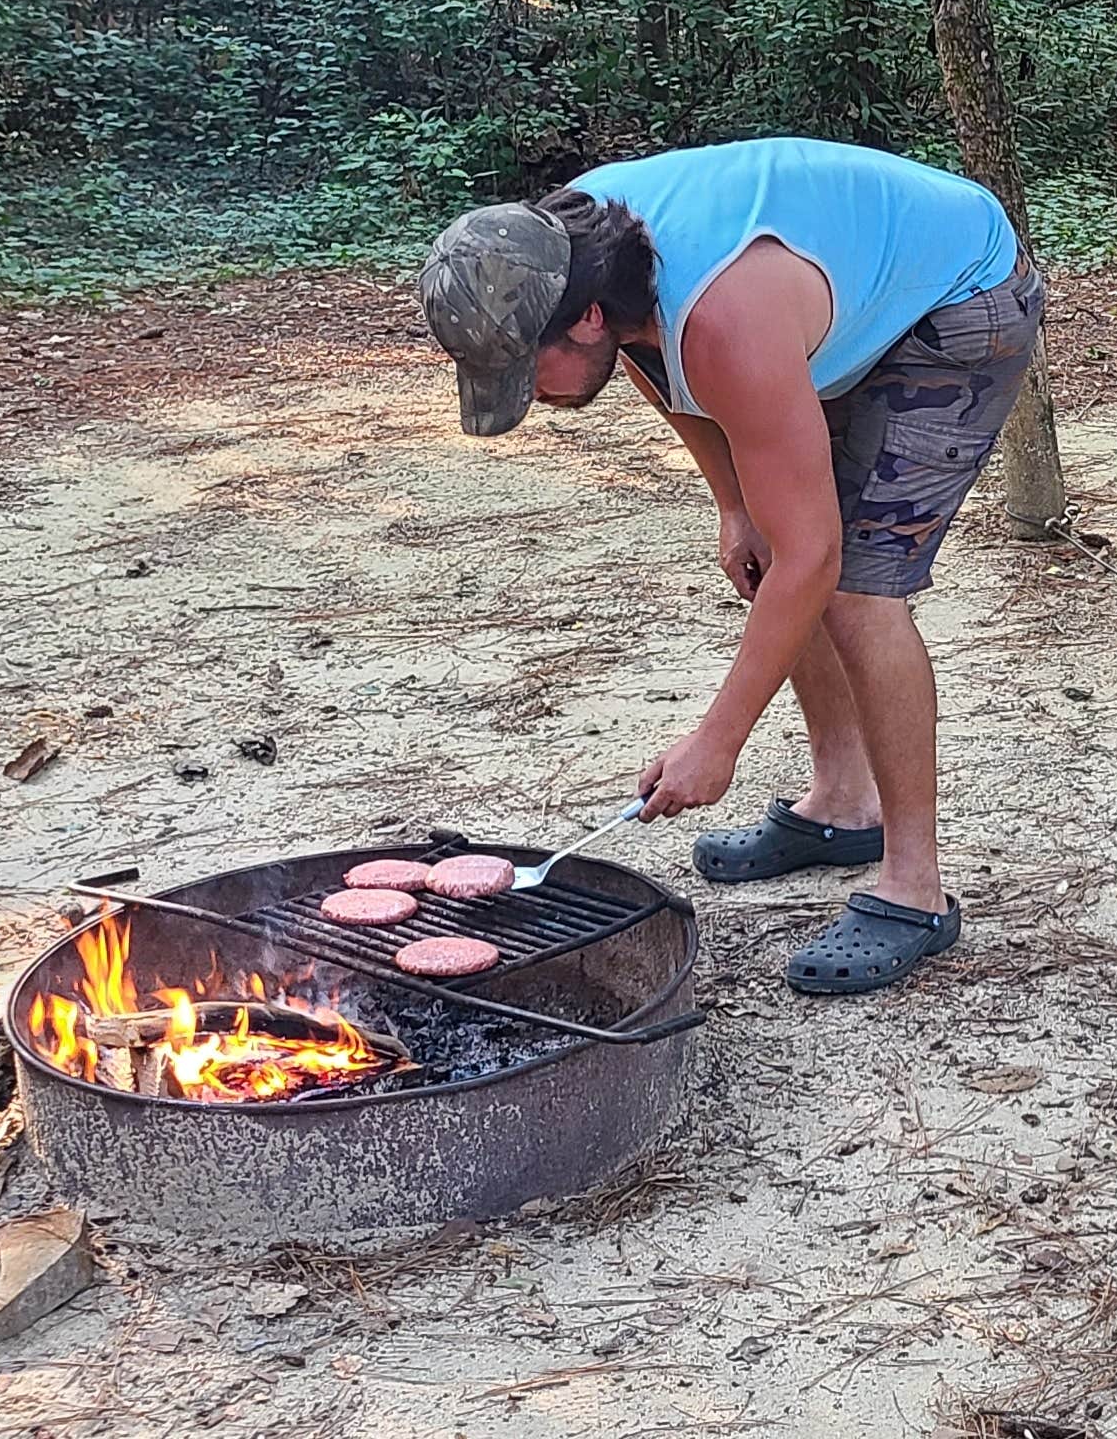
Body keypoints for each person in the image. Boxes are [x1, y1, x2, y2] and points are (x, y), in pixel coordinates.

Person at [416, 137, 1042, 995]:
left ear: (587, 318)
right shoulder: (571, 250)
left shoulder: (722, 316)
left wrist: (718, 743)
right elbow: (656, 365)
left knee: (856, 585)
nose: (541, 397)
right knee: (777, 553)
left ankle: (915, 887)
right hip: (826, 297)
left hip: (956, 298)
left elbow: (816, 555)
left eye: (532, 368)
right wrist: (735, 502)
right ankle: (842, 804)